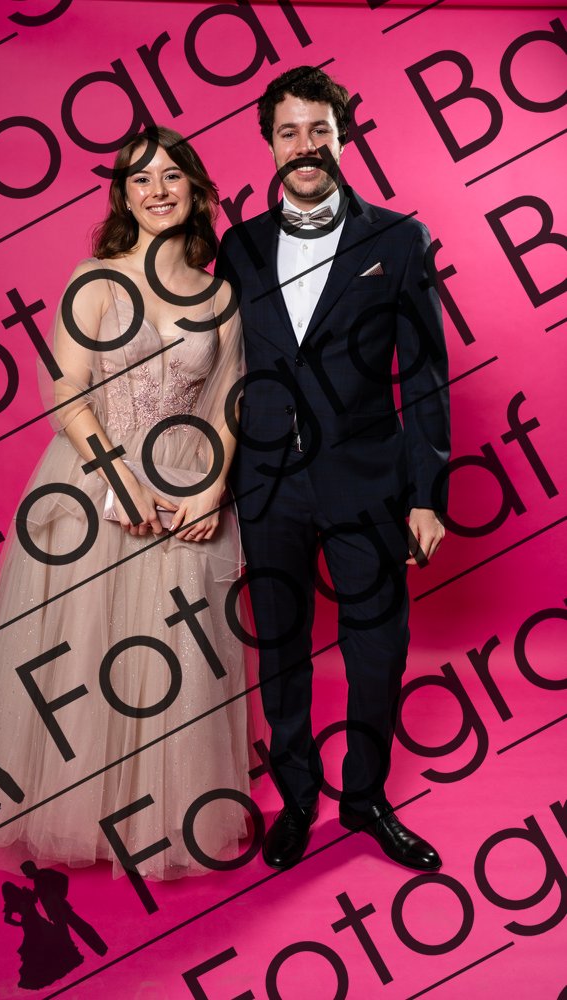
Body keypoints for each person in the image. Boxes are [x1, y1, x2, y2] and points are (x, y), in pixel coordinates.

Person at [0, 126, 257, 880]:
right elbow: (67, 389)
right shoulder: (95, 279)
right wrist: (117, 477)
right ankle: (74, 814)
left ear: (196, 189)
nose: (157, 190)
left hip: (185, 487)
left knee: (173, 655)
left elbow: (231, 401)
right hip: (95, 481)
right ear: (122, 196)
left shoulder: (222, 294)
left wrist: (213, 487)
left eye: (171, 176)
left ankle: (156, 817)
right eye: (139, 179)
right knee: (83, 651)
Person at [215, 66, 451, 871]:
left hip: (368, 480)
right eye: (288, 131)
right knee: (280, 645)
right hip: (266, 483)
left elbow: (424, 375)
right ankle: (297, 797)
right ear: (269, 144)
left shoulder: (398, 239)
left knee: (377, 645)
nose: (304, 145)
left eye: (319, 129)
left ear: (343, 138)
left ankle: (365, 797)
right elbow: (219, 365)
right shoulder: (239, 246)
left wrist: (426, 497)